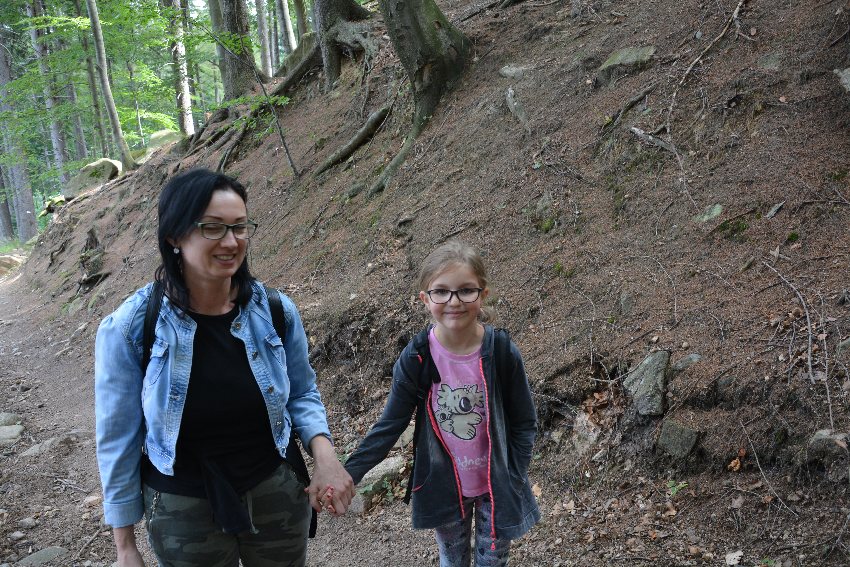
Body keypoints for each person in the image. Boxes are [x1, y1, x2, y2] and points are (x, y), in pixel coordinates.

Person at [94, 168, 353, 567]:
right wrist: (125, 546)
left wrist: (326, 457)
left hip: (274, 490)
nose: (231, 242)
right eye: (212, 228)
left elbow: (302, 393)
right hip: (183, 505)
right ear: (174, 236)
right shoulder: (132, 326)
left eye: (239, 227)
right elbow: (118, 436)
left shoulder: (275, 311)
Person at [344, 240, 540, 567]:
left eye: (466, 290)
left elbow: (524, 421)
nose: (454, 301)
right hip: (444, 485)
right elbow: (390, 425)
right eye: (441, 292)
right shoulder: (416, 358)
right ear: (425, 299)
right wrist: (348, 474)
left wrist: (514, 474)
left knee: (493, 562)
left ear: (483, 294)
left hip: (496, 485)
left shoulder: (502, 352)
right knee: (452, 559)